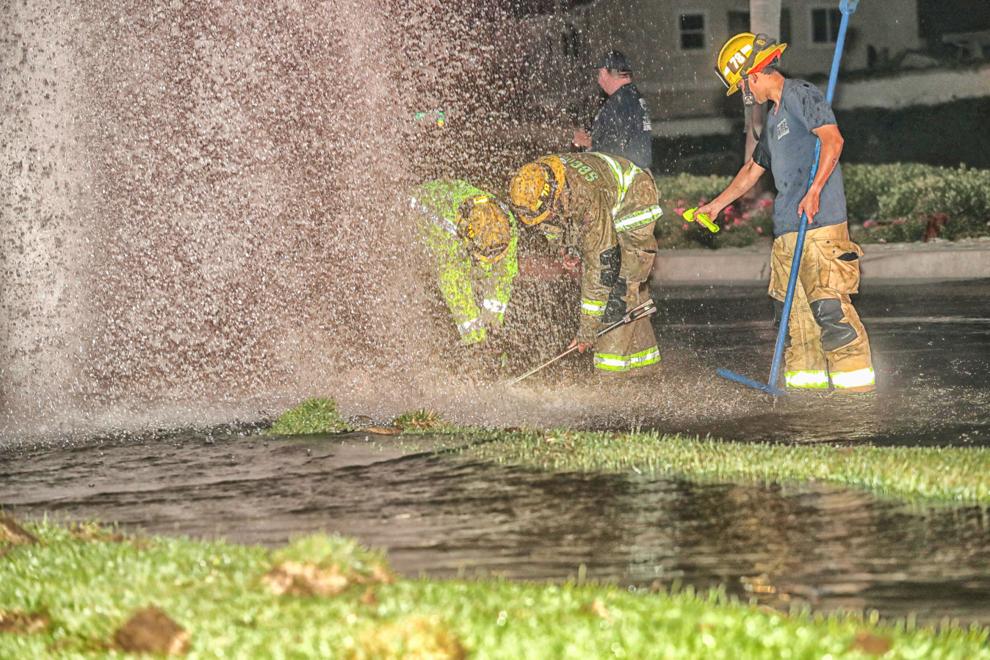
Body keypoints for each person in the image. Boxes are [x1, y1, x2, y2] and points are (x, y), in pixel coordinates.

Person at [695, 33, 876, 393]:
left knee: (831, 315)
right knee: (796, 324)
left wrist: (815, 190)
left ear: (756, 73)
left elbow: (833, 140)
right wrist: (715, 205)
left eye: (744, 85)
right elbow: (752, 170)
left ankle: (855, 402)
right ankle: (805, 406)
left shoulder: (799, 94)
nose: (747, 94)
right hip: (788, 233)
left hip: (820, 228)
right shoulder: (773, 119)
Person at [507, 152, 662, 374]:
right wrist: (565, 248)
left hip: (634, 202)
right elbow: (551, 223)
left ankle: (610, 377)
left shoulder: (588, 197)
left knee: (617, 291)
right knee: (629, 291)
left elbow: (603, 265)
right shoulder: (537, 180)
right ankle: (645, 366)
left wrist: (587, 330)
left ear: (556, 193)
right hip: (606, 199)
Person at [410, 180, 518, 346]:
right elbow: (455, 287)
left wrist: (493, 322)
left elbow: (505, 271)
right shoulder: (447, 238)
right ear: (468, 242)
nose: (489, 264)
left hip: (446, 206)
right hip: (416, 226)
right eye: (484, 257)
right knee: (431, 293)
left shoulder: (502, 221)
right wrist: (477, 340)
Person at [573, 50, 653, 171]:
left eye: (599, 74)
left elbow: (618, 146)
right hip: (636, 174)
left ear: (604, 72)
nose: (599, 81)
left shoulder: (620, 102)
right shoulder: (633, 98)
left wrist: (588, 143)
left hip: (623, 176)